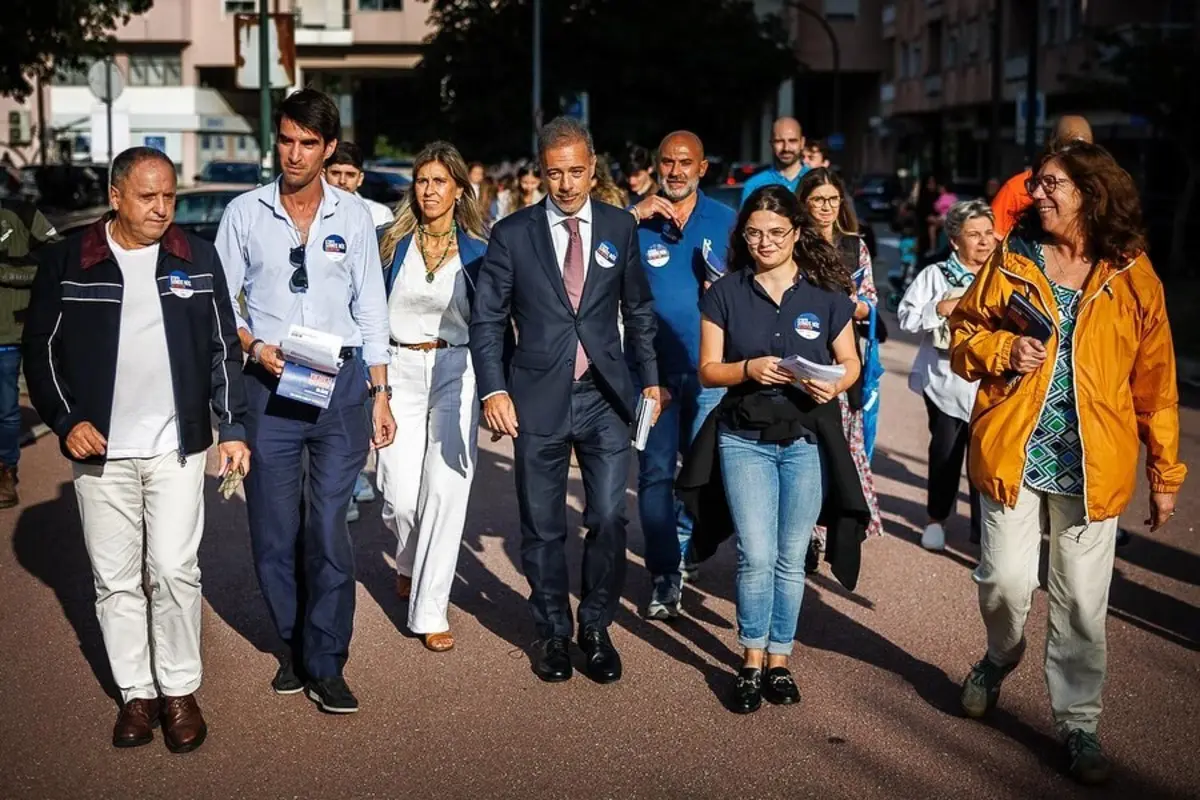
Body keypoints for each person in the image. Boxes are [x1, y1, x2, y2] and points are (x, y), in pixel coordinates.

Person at [949, 140, 1186, 785]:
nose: (1038, 195)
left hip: (1092, 465)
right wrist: (1003, 350)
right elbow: (963, 334)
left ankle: (1078, 724)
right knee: (1002, 580)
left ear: (1090, 192)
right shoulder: (1016, 257)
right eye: (1037, 183)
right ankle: (1001, 654)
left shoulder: (1133, 273)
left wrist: (1164, 475)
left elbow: (1156, 383)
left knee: (1082, 603)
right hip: (1013, 451)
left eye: (1052, 184)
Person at [23, 146, 250, 752]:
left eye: (169, 196)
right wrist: (66, 419)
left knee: (175, 569)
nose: (161, 208)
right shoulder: (70, 259)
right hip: (101, 454)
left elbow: (222, 348)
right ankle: (137, 694)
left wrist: (231, 427)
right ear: (116, 196)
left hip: (177, 449)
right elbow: (39, 351)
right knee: (116, 580)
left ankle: (178, 689)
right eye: (148, 196)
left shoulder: (196, 257)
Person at [214, 88, 396, 714]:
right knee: (272, 530)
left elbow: (371, 307)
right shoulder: (243, 212)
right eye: (286, 140)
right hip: (269, 386)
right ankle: (290, 647)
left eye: (307, 144)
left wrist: (379, 391)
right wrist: (254, 346)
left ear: (329, 148)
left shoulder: (354, 217)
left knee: (326, 527)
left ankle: (327, 658)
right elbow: (221, 303)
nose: (293, 153)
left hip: (341, 386)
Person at [470, 117, 663, 685]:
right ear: (541, 171)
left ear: (593, 165)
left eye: (577, 171)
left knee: (607, 515)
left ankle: (596, 626)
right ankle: (553, 629)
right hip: (537, 397)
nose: (566, 184)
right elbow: (487, 321)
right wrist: (495, 388)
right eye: (555, 173)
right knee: (543, 524)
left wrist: (649, 377)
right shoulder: (513, 233)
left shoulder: (618, 225)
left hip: (605, 396)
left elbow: (639, 310)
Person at [695, 184, 862, 713]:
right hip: (743, 439)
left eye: (776, 232)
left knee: (791, 558)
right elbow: (708, 369)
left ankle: (780, 660)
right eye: (754, 233)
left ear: (795, 232)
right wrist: (749, 368)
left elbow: (851, 362)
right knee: (756, 554)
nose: (765, 242)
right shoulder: (724, 292)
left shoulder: (825, 295)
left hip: (806, 439)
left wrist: (833, 384)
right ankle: (749, 658)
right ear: (742, 236)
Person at [375, 142, 488, 652]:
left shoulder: (481, 251)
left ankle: (430, 610)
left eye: (440, 181)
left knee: (445, 489)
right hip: (399, 369)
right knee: (398, 494)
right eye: (422, 180)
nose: (429, 190)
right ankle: (406, 558)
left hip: (455, 369)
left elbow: (495, 324)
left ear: (459, 189)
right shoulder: (387, 243)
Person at [628, 130, 736, 619]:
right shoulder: (636, 220)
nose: (674, 171)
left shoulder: (728, 222)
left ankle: (689, 546)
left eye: (685, 162)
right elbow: (592, 269)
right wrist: (631, 217)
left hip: (711, 376)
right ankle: (665, 574)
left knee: (702, 476)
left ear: (702, 168)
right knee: (652, 476)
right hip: (650, 376)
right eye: (667, 162)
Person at [897, 199, 994, 551]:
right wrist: (939, 307)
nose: (984, 242)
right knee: (945, 456)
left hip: (992, 386)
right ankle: (937, 519)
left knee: (988, 461)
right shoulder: (935, 275)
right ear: (954, 240)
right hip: (945, 383)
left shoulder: (1004, 274)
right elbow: (906, 319)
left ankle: (985, 535)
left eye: (988, 233)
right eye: (974, 235)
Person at [797, 168, 883, 552]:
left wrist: (854, 306)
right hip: (805, 354)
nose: (827, 207)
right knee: (808, 442)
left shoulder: (854, 246)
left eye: (833, 199)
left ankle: (837, 528)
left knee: (843, 444)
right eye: (818, 200)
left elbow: (871, 301)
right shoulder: (794, 243)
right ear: (804, 203)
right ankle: (806, 533)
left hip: (844, 358)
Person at [0, 197, 59, 507]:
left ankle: (5, 471)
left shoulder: (20, 213)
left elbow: (55, 256)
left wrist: (9, 273)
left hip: (12, 330)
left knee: (7, 409)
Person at [991, 115, 1093, 239]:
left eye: (1083, 150)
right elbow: (994, 239)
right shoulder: (1017, 188)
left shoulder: (1100, 186)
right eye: (1067, 148)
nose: (1075, 157)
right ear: (1053, 149)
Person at [323, 141, 394, 228]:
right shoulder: (309, 211)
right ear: (323, 175)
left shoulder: (379, 215)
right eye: (335, 173)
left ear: (360, 179)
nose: (342, 181)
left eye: (350, 175)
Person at [740, 117, 810, 204]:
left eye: (792, 141)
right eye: (779, 141)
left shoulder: (817, 181)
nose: (786, 148)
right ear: (771, 144)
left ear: (802, 142)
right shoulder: (754, 185)